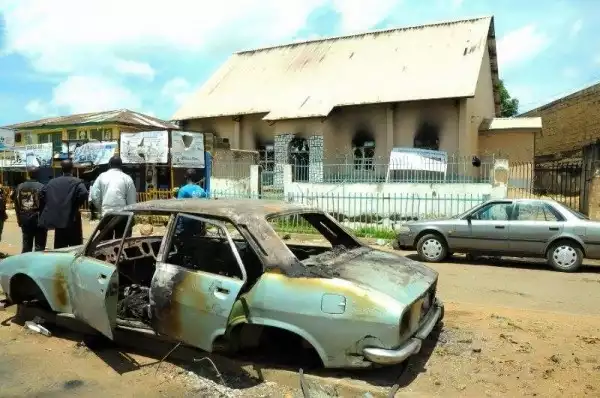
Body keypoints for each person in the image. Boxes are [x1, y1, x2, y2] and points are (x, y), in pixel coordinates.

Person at [39, 160, 88, 249]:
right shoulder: (77, 182)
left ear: (61, 169)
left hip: (58, 218)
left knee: (60, 246)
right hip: (73, 218)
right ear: (72, 169)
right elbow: (84, 193)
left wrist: (52, 203)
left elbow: (42, 193)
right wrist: (76, 204)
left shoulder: (52, 182)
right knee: (75, 246)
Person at [90, 155, 136, 238]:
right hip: (123, 215)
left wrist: (101, 208)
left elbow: (94, 196)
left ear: (109, 165)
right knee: (121, 244)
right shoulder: (127, 178)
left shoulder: (101, 177)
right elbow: (131, 200)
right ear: (121, 165)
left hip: (106, 214)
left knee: (105, 244)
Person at [12, 168, 47, 252]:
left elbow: (16, 205)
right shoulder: (42, 187)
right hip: (39, 220)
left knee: (26, 245)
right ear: (37, 175)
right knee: (39, 247)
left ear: (28, 174)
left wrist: (19, 219)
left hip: (25, 219)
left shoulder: (19, 187)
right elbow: (46, 205)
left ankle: (25, 264)